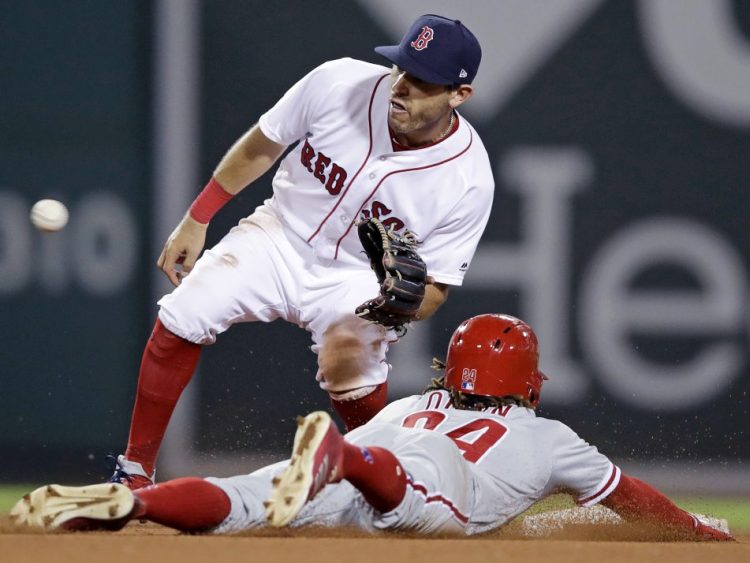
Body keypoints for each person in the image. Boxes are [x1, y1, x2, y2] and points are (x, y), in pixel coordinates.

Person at [109, 14, 494, 489]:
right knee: (184, 313)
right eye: (402, 69)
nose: (402, 86)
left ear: (459, 95)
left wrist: (403, 305)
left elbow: (436, 289)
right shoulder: (338, 82)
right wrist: (197, 217)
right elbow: (263, 144)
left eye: (423, 81)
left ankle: (387, 491)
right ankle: (134, 471)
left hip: (357, 275)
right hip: (278, 234)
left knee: (350, 358)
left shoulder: (470, 177)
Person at [12, 314, 732, 541]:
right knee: (413, 500)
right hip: (412, 476)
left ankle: (136, 503)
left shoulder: (409, 404)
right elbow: (629, 493)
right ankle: (339, 454)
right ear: (530, 382)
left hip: (376, 444)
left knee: (241, 497)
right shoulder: (552, 438)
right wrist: (697, 531)